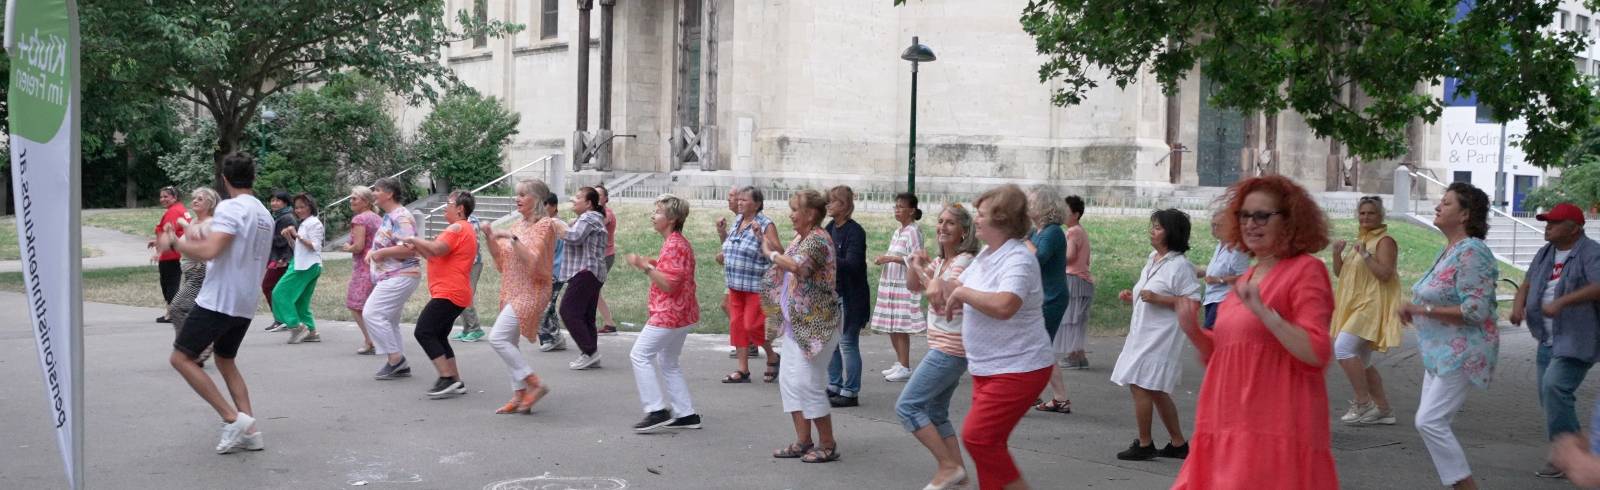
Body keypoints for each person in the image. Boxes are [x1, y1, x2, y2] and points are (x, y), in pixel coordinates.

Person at [1171, 175, 1337, 489]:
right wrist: (1192, 329)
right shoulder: (1248, 275)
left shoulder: (1306, 270)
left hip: (1273, 426)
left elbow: (1317, 352)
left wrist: (1266, 314)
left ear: (1289, 221)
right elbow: (1224, 354)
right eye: (1244, 215)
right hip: (1226, 421)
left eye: (1262, 215)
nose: (1251, 224)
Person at [155, 152, 273, 454]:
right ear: (254, 177)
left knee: (180, 358)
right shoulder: (262, 212)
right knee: (225, 360)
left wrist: (177, 242)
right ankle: (252, 431)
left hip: (219, 299)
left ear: (224, 180)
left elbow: (210, 251)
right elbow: (226, 242)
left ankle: (233, 419)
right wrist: (197, 230)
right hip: (245, 301)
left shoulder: (232, 207)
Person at [942, 184, 1054, 489]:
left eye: (981, 214)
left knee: (978, 439)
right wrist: (929, 277)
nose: (975, 220)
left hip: (1019, 367)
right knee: (989, 446)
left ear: (1002, 218)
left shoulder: (1019, 259)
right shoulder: (986, 256)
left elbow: (1005, 305)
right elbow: (953, 290)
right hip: (988, 367)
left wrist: (962, 293)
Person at [1401, 182, 1497, 490]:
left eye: (1447, 203)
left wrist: (1422, 310)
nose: (1438, 206)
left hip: (1464, 352)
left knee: (1429, 421)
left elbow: (1475, 310)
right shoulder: (1452, 249)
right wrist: (1418, 310)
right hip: (1440, 353)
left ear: (1466, 214)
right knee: (1429, 421)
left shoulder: (1472, 251)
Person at [1509, 201, 1600, 479]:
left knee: (1554, 387)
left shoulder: (1590, 253)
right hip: (1546, 336)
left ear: (1574, 229)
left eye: (1555, 223)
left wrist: (1562, 302)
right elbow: (1526, 281)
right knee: (1549, 396)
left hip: (1576, 336)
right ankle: (1573, 453)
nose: (1547, 227)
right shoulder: (1545, 252)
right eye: (1547, 222)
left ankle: (1572, 458)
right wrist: (1518, 304)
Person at [897, 203, 980, 490]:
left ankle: (947, 466)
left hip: (950, 349)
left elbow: (938, 295)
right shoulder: (941, 262)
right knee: (935, 413)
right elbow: (913, 286)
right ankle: (959, 475)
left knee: (907, 407)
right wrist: (914, 264)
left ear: (964, 231)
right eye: (940, 221)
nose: (942, 227)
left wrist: (921, 269)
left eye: (950, 223)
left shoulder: (965, 261)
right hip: (943, 347)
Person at [1110, 209, 1199, 461]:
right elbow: (1147, 293)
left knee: (1141, 385)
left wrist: (1160, 299)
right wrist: (1133, 297)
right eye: (1153, 226)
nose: (1152, 231)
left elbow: (1192, 302)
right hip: (1143, 332)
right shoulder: (1153, 259)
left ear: (1171, 233)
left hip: (1161, 336)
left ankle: (1145, 443)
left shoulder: (1180, 266)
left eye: (1158, 227)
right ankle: (1178, 442)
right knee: (1156, 388)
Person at [765, 189, 845, 464]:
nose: (790, 214)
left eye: (794, 209)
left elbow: (798, 267)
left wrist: (772, 255)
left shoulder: (818, 241)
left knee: (808, 383)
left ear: (810, 214)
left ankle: (828, 444)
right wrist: (768, 247)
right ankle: (803, 441)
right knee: (789, 382)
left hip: (817, 325)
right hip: (796, 325)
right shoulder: (802, 237)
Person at [626, 194, 703, 432]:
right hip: (681, 314)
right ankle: (686, 413)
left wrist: (646, 267)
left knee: (639, 355)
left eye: (658, 211)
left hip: (670, 314)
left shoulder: (675, 245)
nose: (653, 215)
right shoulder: (676, 243)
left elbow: (670, 285)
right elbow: (674, 275)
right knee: (668, 361)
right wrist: (655, 264)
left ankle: (656, 410)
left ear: (671, 219)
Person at [481, 180, 557, 414]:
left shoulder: (546, 225)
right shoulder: (518, 224)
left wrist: (512, 239)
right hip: (513, 288)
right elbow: (502, 260)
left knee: (498, 338)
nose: (518, 198)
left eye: (523, 194)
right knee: (509, 342)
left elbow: (534, 260)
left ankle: (534, 383)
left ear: (537, 199)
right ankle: (519, 395)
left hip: (533, 289)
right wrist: (489, 237)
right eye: (517, 195)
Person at [1329, 196, 1403, 426]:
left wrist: (1366, 255)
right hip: (1356, 305)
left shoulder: (1384, 241)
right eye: (1362, 213)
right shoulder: (1361, 241)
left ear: (1381, 215)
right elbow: (1342, 275)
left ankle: (1363, 402)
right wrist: (1336, 254)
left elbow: (1385, 274)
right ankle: (1383, 410)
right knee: (1362, 360)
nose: (1365, 217)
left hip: (1371, 305)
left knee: (1342, 349)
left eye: (1371, 213)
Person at [400, 190, 480, 399]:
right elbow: (435, 254)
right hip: (455, 292)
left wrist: (413, 238)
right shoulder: (464, 229)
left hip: (449, 292)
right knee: (439, 335)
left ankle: (446, 378)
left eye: (449, 203)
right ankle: (456, 380)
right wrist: (417, 245)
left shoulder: (457, 227)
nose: (446, 206)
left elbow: (436, 248)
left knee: (424, 331)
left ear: (460, 209)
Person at [717, 186, 779, 383]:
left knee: (752, 325)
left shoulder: (766, 224)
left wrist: (763, 237)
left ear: (757, 204)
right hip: (735, 284)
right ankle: (743, 370)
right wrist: (722, 233)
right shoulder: (738, 221)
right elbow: (731, 245)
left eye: (744, 200)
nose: (739, 202)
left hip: (755, 285)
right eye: (739, 199)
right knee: (738, 326)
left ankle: (772, 355)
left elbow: (779, 250)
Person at [364, 177, 423, 380]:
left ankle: (396, 359)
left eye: (377, 190)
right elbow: (385, 242)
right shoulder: (389, 216)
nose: (374, 193)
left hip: (401, 274)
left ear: (389, 194)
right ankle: (398, 363)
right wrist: (372, 253)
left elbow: (410, 248)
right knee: (389, 320)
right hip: (392, 275)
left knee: (371, 313)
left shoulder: (401, 217)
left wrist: (381, 254)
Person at [872, 192, 927, 383]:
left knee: (900, 326)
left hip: (903, 283)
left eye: (901, 207)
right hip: (891, 283)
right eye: (895, 206)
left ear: (911, 211)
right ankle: (899, 361)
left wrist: (889, 258)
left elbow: (915, 258)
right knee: (892, 324)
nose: (897, 210)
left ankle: (905, 365)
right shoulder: (898, 231)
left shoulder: (913, 231)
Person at [555, 186, 611, 369]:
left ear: (588, 203)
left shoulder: (589, 217)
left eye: (578, 197)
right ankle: (590, 353)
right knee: (586, 316)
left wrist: (558, 226)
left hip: (586, 272)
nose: (573, 199)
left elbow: (574, 237)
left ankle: (589, 351)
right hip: (592, 272)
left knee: (568, 311)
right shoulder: (589, 218)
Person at [1028, 186, 1072, 413]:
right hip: (1040, 297)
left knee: (1041, 345)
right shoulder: (1036, 231)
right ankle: (1039, 393)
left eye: (1033, 202)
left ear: (1046, 206)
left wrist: (1020, 239)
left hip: (1052, 297)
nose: (1028, 205)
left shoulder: (1053, 232)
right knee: (1037, 345)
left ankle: (1059, 397)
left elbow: (1037, 258)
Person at [167, 187, 221, 366]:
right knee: (191, 311)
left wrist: (183, 225)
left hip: (201, 271)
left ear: (210, 204)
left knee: (176, 308)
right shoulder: (195, 222)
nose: (195, 201)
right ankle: (191, 351)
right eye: (194, 198)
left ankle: (195, 348)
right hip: (190, 272)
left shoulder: (210, 223)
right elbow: (183, 244)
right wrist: (170, 237)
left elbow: (201, 241)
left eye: (200, 199)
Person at [826, 185, 869, 406]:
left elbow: (853, 264)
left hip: (852, 297)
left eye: (832, 201)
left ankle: (851, 391)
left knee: (847, 343)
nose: (828, 205)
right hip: (834, 296)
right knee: (832, 343)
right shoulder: (830, 227)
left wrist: (827, 258)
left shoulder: (855, 232)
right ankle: (834, 384)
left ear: (843, 206)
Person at [274, 193, 326, 344]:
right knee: (301, 302)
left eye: (303, 207)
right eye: (297, 207)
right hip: (304, 264)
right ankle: (312, 331)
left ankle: (295, 325)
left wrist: (296, 235)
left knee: (279, 293)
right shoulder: (305, 223)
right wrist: (289, 237)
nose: (299, 210)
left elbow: (315, 246)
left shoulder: (314, 223)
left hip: (306, 266)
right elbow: (298, 248)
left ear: (310, 207)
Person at [344, 186, 383, 355]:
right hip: (378, 266)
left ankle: (371, 340)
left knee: (355, 305)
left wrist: (347, 247)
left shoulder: (359, 219)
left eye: (355, 198)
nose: (351, 201)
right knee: (372, 306)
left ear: (366, 202)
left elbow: (359, 247)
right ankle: (377, 339)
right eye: (351, 198)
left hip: (363, 267)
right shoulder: (377, 218)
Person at [1196, 216, 1250, 330]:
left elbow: (1244, 277)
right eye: (1212, 225)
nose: (1213, 229)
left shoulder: (1237, 248)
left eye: (1217, 225)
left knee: (1209, 332)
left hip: (1224, 299)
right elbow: (1219, 269)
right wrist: (1201, 272)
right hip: (1211, 298)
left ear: (1230, 226)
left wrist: (1219, 280)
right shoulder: (1220, 245)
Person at [1058, 195, 1093, 369]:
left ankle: (1074, 356)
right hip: (1082, 280)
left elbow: (1070, 256)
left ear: (1076, 214)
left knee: (1071, 318)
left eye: (1067, 211)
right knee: (1076, 319)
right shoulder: (1079, 231)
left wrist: (1055, 258)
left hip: (1074, 279)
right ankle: (1079, 356)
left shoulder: (1073, 232)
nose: (1063, 214)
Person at [262, 190, 298, 332]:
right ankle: (284, 319)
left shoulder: (287, 218)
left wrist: (283, 259)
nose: (274, 203)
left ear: (285, 202)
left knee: (268, 286)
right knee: (276, 288)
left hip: (282, 259)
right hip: (277, 257)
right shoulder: (279, 216)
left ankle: (281, 319)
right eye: (272, 200)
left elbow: (286, 240)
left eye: (278, 200)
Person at [538, 194, 569, 352]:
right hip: (553, 271)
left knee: (543, 306)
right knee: (548, 305)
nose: (541, 209)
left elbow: (551, 252)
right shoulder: (554, 224)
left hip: (554, 271)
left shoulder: (555, 225)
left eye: (544, 205)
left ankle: (551, 338)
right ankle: (555, 337)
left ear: (553, 206)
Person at [449, 212, 486, 343]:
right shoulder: (459, 221)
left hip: (473, 263)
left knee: (466, 295)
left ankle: (475, 329)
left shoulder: (472, 220)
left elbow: (466, 242)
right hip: (463, 264)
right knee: (460, 295)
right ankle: (467, 329)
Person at [152, 186, 188, 323]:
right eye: (161, 197)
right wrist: (156, 241)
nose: (162, 199)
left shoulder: (174, 212)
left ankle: (173, 313)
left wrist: (159, 252)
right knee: (171, 283)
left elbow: (169, 233)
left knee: (169, 284)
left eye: (166, 196)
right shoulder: (180, 209)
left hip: (171, 254)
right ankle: (170, 312)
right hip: (176, 253)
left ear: (175, 197)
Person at [595, 184, 620, 335]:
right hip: (598, 257)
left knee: (592, 290)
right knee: (593, 291)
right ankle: (609, 324)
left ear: (605, 199)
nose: (596, 198)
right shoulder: (593, 213)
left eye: (599, 195)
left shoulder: (606, 213)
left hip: (605, 257)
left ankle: (609, 324)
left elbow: (600, 222)